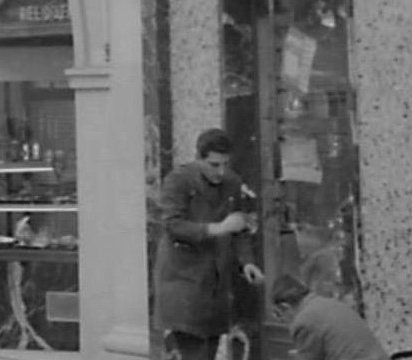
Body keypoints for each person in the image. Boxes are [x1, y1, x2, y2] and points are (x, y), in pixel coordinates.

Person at [154, 128, 264, 360]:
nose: (221, 171)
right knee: (191, 351)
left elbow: (240, 228)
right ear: (199, 158)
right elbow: (173, 225)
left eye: (225, 164)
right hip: (183, 283)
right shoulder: (178, 180)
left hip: (216, 284)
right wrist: (218, 228)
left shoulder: (232, 182)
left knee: (209, 349)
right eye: (214, 164)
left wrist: (247, 263)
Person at [271, 273, 389, 360]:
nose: (282, 321)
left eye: (278, 314)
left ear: (285, 307)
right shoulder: (328, 303)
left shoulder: (304, 320)